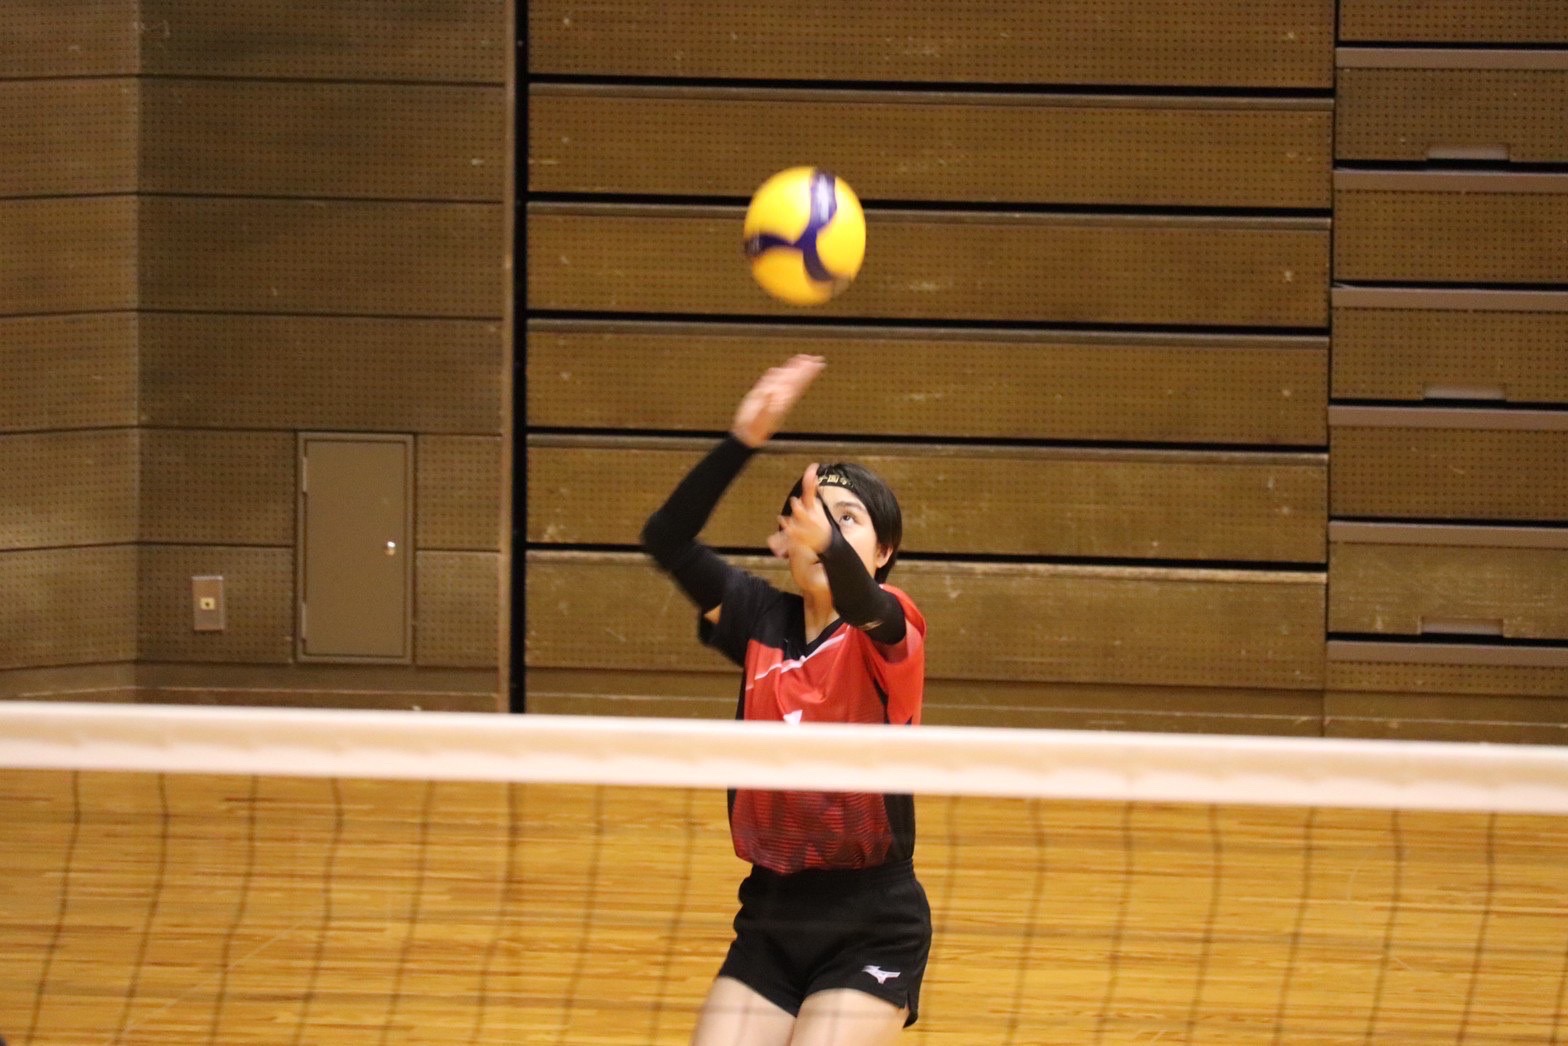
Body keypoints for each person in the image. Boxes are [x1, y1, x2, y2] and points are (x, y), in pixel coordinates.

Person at [641, 355, 932, 1046]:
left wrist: (830, 544)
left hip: (874, 923)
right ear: (784, 543)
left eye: (849, 520)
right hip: (770, 917)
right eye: (812, 517)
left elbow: (865, 605)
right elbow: (666, 539)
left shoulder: (893, 627)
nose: (827, 530)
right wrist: (742, 441)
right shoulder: (756, 619)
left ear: (883, 551)